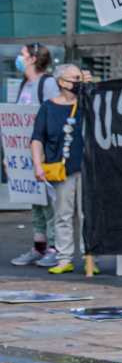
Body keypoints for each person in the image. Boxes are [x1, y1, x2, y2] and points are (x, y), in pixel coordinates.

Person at [30, 64, 85, 276]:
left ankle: (90, 257)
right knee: (63, 214)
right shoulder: (48, 108)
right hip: (61, 170)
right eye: (74, 79)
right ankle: (64, 258)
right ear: (61, 81)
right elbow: (37, 138)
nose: (78, 83)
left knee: (88, 215)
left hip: (87, 168)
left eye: (80, 78)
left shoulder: (86, 104)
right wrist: (37, 165)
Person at [10, 43, 61, 269]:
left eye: (22, 55)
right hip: (25, 155)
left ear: (32, 58)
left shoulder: (47, 83)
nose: (19, 59)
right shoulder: (25, 84)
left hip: (44, 154)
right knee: (36, 202)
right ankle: (39, 245)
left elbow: (52, 116)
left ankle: (54, 247)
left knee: (49, 203)